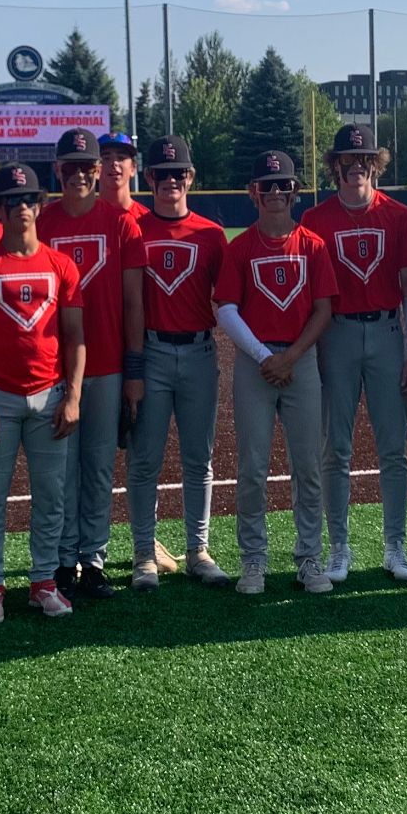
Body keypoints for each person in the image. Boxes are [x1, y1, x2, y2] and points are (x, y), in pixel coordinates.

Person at [0, 164, 84, 621]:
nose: (23, 209)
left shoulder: (61, 265)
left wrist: (72, 396)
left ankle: (43, 581)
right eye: (12, 201)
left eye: (30, 200)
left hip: (50, 395)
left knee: (51, 496)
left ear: (40, 205)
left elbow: (75, 336)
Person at [301, 123, 407, 585]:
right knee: (336, 448)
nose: (357, 169)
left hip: (388, 331)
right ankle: (339, 548)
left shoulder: (399, 216)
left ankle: (395, 545)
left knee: (394, 447)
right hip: (338, 335)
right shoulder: (316, 220)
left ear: (377, 164)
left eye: (365, 160)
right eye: (348, 161)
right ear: (335, 166)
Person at [215, 150, 337, 595]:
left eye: (283, 186)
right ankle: (253, 560)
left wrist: (290, 356)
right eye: (267, 186)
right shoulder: (241, 247)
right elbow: (226, 308)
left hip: (300, 362)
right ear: (253, 192)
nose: (275, 194)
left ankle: (309, 558)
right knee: (252, 467)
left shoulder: (313, 246)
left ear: (294, 192)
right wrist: (265, 355)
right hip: (255, 364)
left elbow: (323, 311)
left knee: (307, 466)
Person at [37, 128, 147, 601]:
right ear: (57, 170)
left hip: (106, 365)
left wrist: (135, 370)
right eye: (72, 166)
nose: (81, 174)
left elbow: (133, 303)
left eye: (89, 166)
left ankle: (93, 559)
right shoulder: (41, 223)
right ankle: (61, 561)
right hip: (53, 367)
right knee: (62, 468)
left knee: (100, 464)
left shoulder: (121, 223)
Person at [124, 135, 231, 590]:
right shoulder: (134, 229)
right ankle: (144, 554)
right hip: (150, 353)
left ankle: (198, 550)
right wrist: (131, 366)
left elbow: (227, 300)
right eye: (161, 173)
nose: (171, 181)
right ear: (148, 178)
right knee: (145, 459)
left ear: (191, 177)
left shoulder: (211, 234)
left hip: (199, 351)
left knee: (197, 459)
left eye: (179, 173)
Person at [98, 129, 178, 575]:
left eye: (121, 157)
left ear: (134, 169)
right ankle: (81, 549)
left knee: (141, 453)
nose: (113, 165)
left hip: (141, 353)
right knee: (86, 457)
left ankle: (144, 542)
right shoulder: (77, 217)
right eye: (105, 156)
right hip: (88, 354)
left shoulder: (147, 222)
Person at [98, 131, 150, 222]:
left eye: (121, 158)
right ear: (95, 168)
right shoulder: (82, 219)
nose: (114, 163)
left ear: (133, 168)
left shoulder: (146, 220)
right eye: (106, 158)